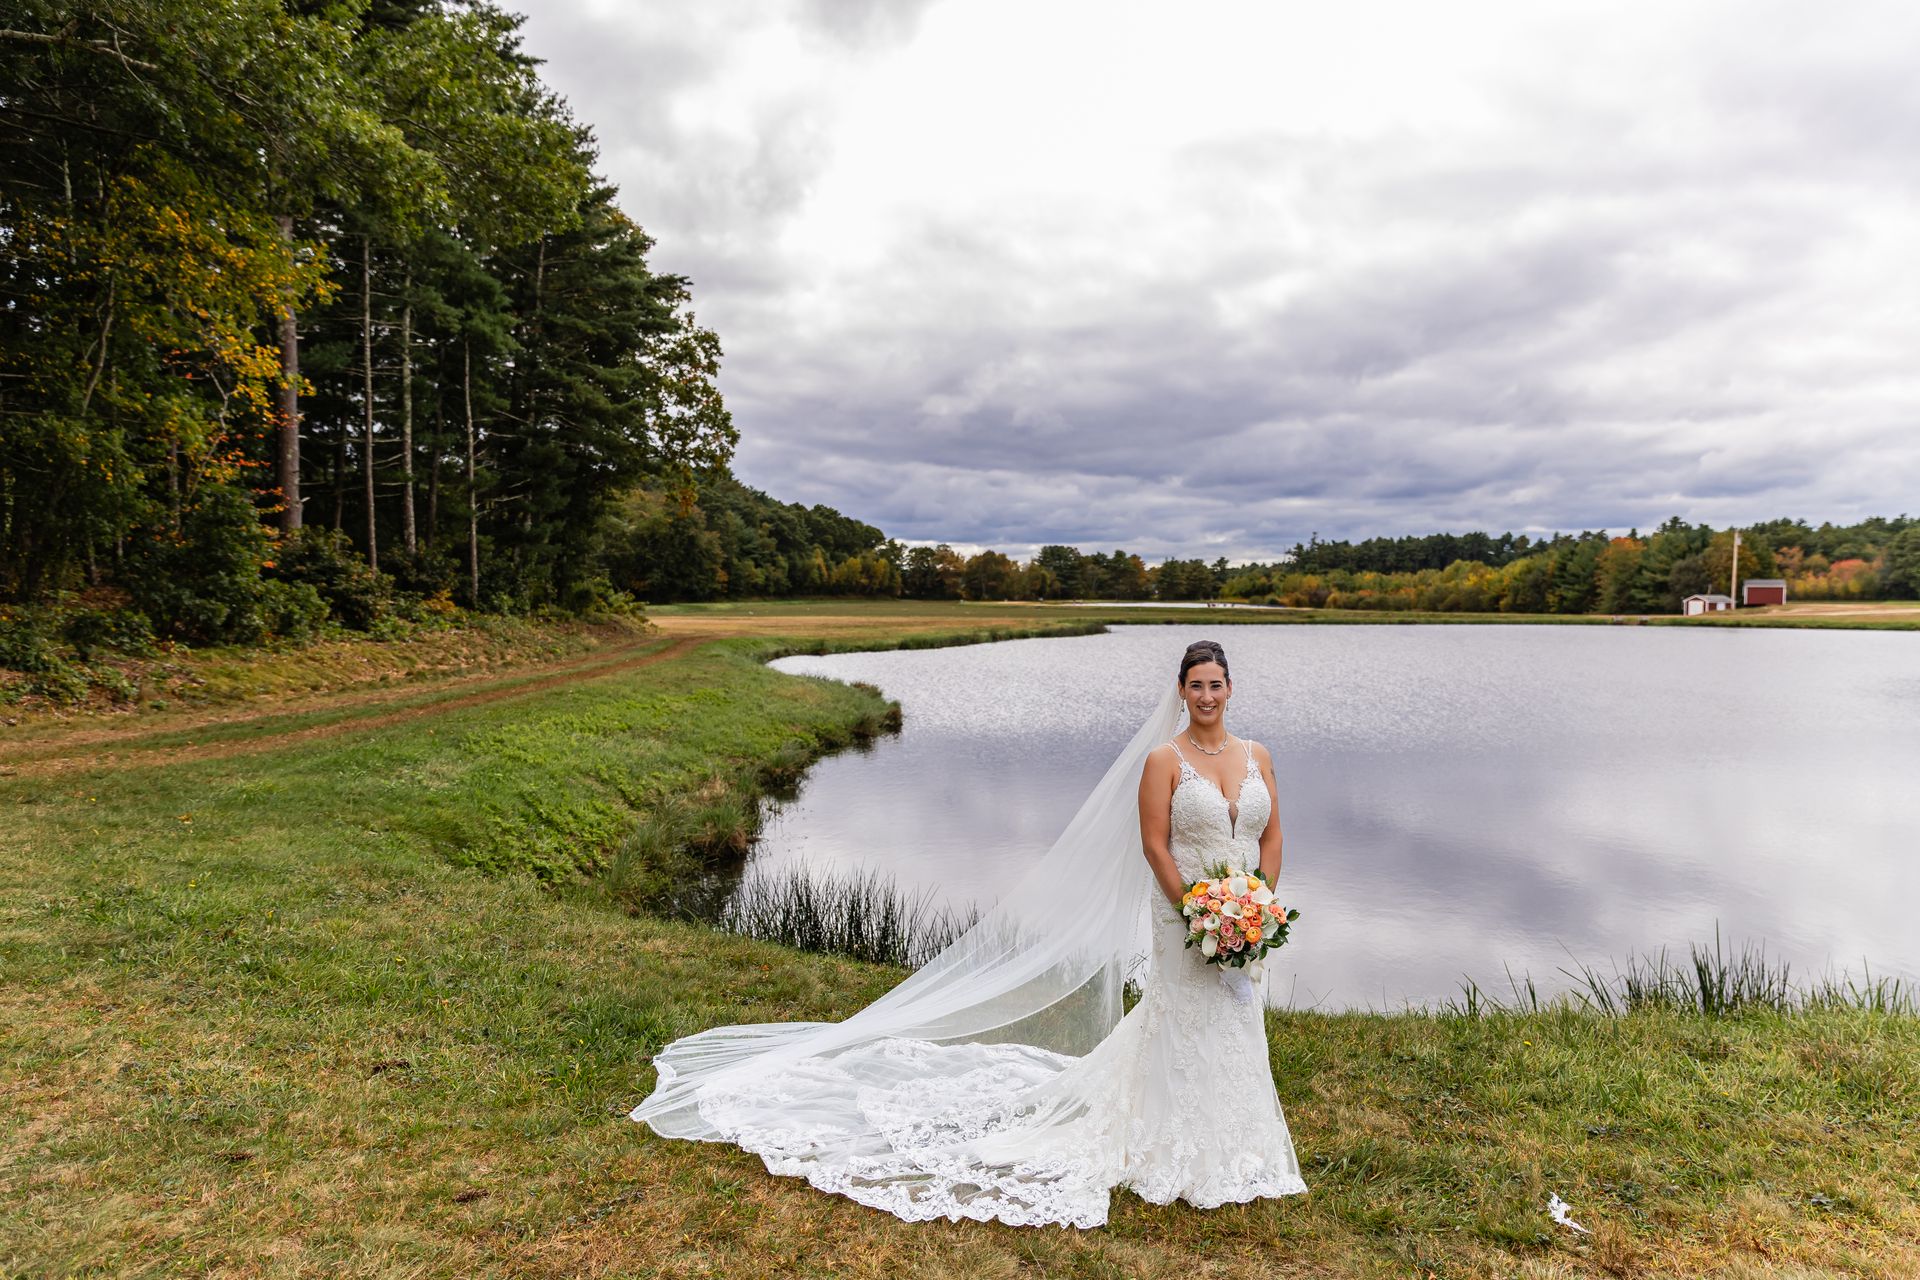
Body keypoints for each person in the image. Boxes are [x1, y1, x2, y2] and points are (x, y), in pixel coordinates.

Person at [629, 638, 1307, 1227]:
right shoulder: (1165, 760)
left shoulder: (1257, 755)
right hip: (1182, 909)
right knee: (1183, 1014)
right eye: (1196, 685)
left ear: (1230, 687)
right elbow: (1155, 845)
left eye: (1217, 684)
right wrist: (1195, 907)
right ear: (1181, 691)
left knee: (1237, 1018)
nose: (1207, 695)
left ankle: (1240, 1140)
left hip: (1244, 915)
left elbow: (1270, 833)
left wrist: (1256, 905)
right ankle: (1171, 1142)